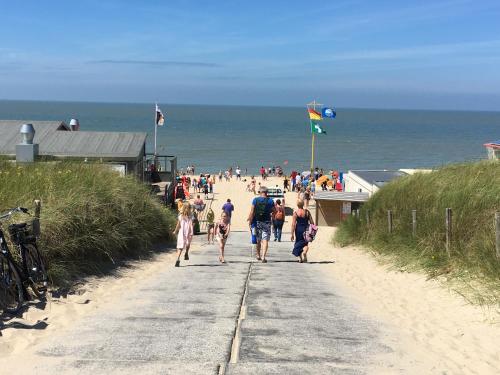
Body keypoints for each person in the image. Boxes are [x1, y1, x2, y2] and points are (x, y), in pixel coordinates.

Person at [247, 186, 275, 263]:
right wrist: (271, 214)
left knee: (258, 239)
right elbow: (274, 211)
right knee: (265, 239)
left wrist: (250, 220)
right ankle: (263, 257)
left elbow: (252, 211)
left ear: (260, 192)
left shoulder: (255, 200)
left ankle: (258, 255)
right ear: (266, 192)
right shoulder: (270, 201)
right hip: (267, 222)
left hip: (257, 221)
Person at [173, 202, 194, 267]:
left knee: (180, 247)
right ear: (190, 208)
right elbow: (191, 225)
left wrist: (175, 231)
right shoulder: (191, 216)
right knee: (188, 244)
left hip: (181, 232)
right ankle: (186, 253)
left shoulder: (180, 215)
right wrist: (192, 231)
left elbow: (178, 225)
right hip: (188, 232)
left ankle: (177, 259)